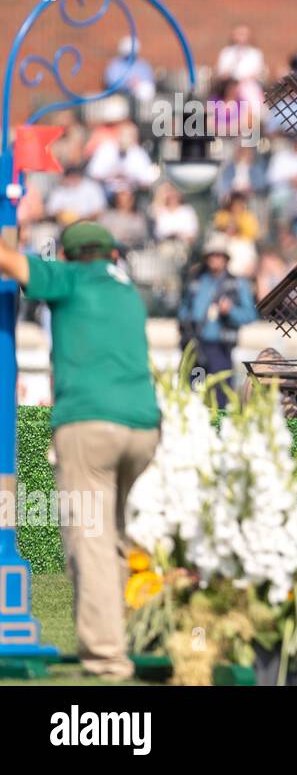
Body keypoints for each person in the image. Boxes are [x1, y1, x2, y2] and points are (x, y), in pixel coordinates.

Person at [0, 221, 160, 680]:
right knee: (112, 540)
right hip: (144, 429)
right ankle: (128, 635)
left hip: (89, 425)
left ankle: (107, 658)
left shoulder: (68, 279)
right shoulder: (128, 293)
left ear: (67, 257)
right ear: (112, 256)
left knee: (88, 543)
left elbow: (9, 261)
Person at [177, 236, 259, 391]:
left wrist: (231, 311)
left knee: (222, 397)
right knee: (195, 393)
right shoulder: (196, 281)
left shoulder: (237, 284)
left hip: (220, 349)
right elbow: (184, 309)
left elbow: (250, 315)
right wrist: (186, 329)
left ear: (226, 258)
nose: (215, 259)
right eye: (212, 255)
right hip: (196, 348)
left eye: (219, 255)